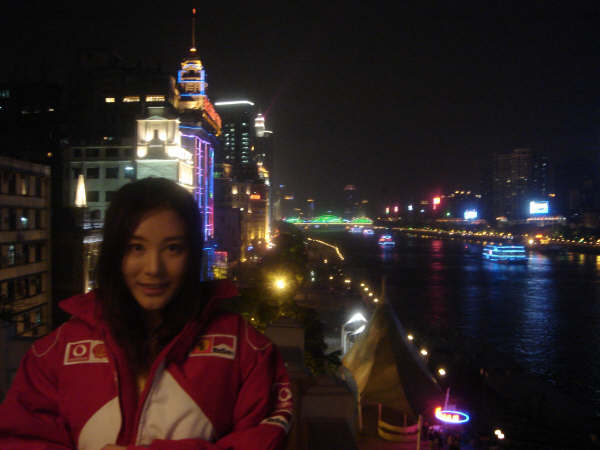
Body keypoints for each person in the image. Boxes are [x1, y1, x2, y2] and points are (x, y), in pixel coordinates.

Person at [0, 177, 292, 449]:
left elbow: (263, 439)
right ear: (114, 254)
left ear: (192, 254)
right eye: (136, 248)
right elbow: (21, 438)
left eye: (173, 248)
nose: (154, 268)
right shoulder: (57, 352)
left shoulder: (246, 350)